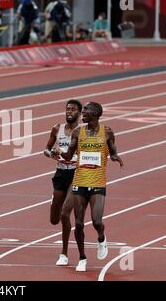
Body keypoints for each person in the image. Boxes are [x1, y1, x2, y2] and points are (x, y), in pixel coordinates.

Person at [52, 102, 124, 272]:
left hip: (98, 182)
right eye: (82, 111)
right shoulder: (78, 132)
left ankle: (101, 237)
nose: (82, 113)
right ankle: (82, 258)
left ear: (97, 113)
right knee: (78, 222)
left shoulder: (107, 131)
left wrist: (115, 157)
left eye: (86, 111)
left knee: (97, 221)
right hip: (80, 181)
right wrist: (58, 153)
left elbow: (112, 150)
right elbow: (69, 154)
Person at [44, 99, 82, 266]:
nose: (69, 112)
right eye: (67, 109)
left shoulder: (84, 132)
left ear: (80, 114)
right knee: (54, 219)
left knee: (66, 213)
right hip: (60, 174)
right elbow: (46, 148)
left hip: (77, 174)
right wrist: (51, 153)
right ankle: (55, 200)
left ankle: (64, 253)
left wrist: (73, 157)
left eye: (73, 109)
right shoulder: (56, 129)